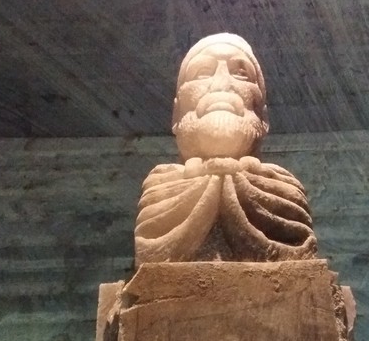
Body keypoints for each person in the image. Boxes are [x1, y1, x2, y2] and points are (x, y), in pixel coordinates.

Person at [134, 33, 317, 266]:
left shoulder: (285, 194)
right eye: (202, 72)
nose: (222, 84)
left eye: (241, 73)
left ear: (263, 117)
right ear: (176, 115)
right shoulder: (160, 192)